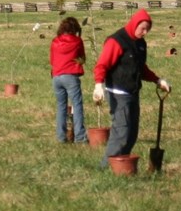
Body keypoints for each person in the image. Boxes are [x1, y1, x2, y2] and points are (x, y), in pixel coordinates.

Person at [92, 9, 170, 165]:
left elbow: (141, 68)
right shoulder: (117, 41)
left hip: (132, 92)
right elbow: (102, 65)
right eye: (142, 28)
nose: (145, 32)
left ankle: (122, 164)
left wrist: (157, 80)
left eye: (148, 29)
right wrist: (98, 85)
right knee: (122, 131)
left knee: (132, 132)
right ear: (134, 24)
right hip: (117, 92)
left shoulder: (140, 44)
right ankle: (106, 166)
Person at [50, 16, 88, 144]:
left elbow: (52, 60)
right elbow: (82, 58)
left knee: (61, 107)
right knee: (77, 106)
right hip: (70, 76)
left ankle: (61, 137)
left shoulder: (55, 41)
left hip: (56, 77)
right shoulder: (77, 41)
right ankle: (80, 137)